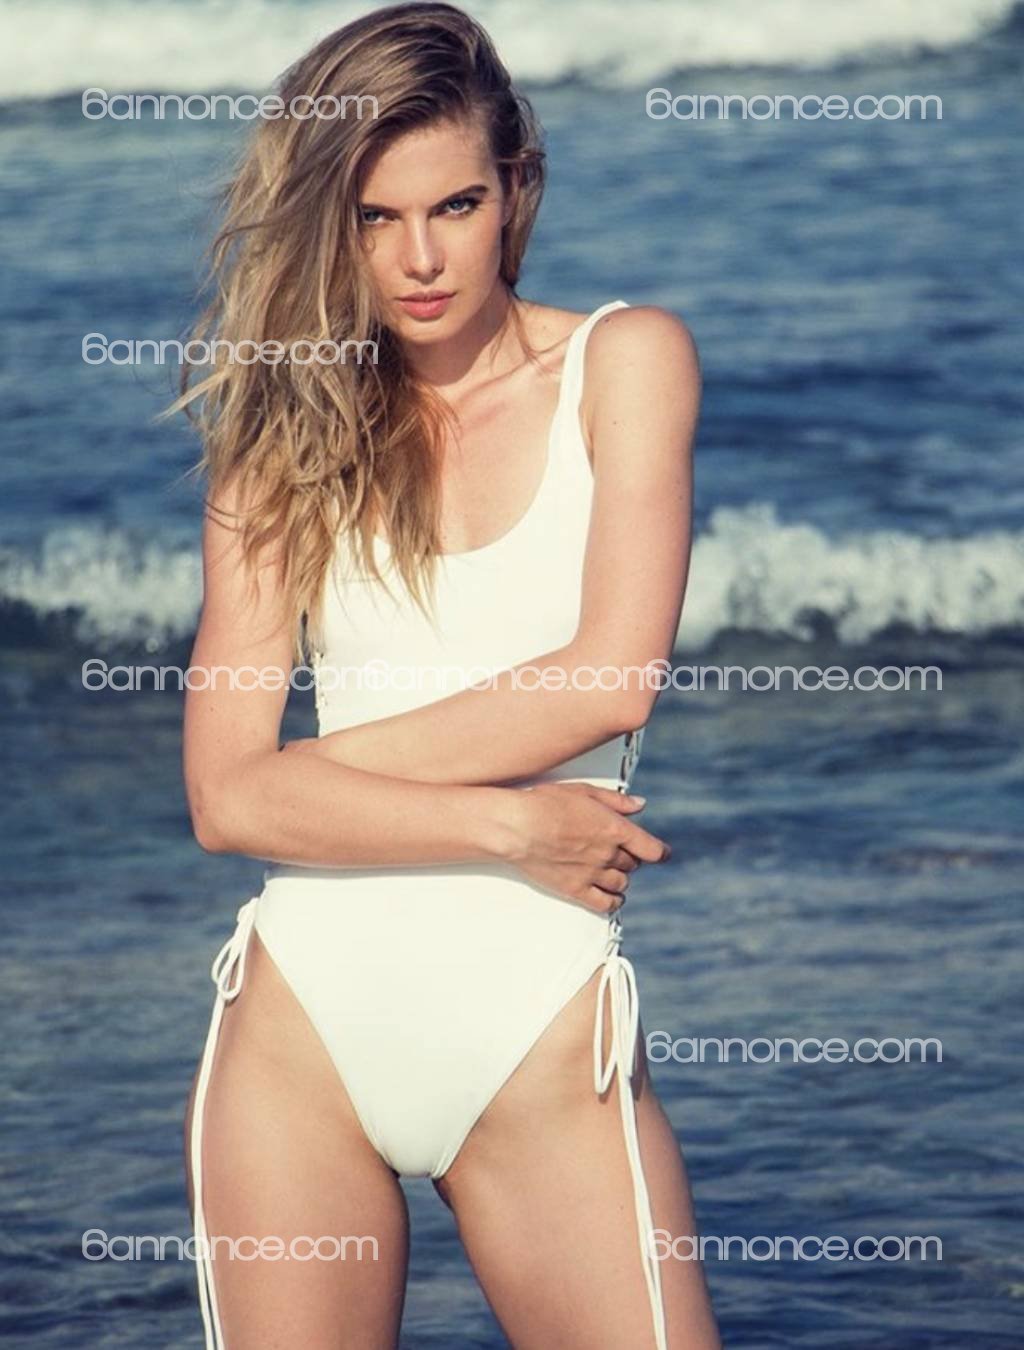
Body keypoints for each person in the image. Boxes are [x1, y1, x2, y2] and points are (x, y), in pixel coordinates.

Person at [174, 4, 718, 1346]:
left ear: (514, 187)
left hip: (535, 1022)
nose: (418, 259)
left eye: (455, 206)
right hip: (303, 1024)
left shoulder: (623, 363)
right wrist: (509, 825)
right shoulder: (280, 443)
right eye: (375, 218)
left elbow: (608, 681)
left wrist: (300, 777)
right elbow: (223, 808)